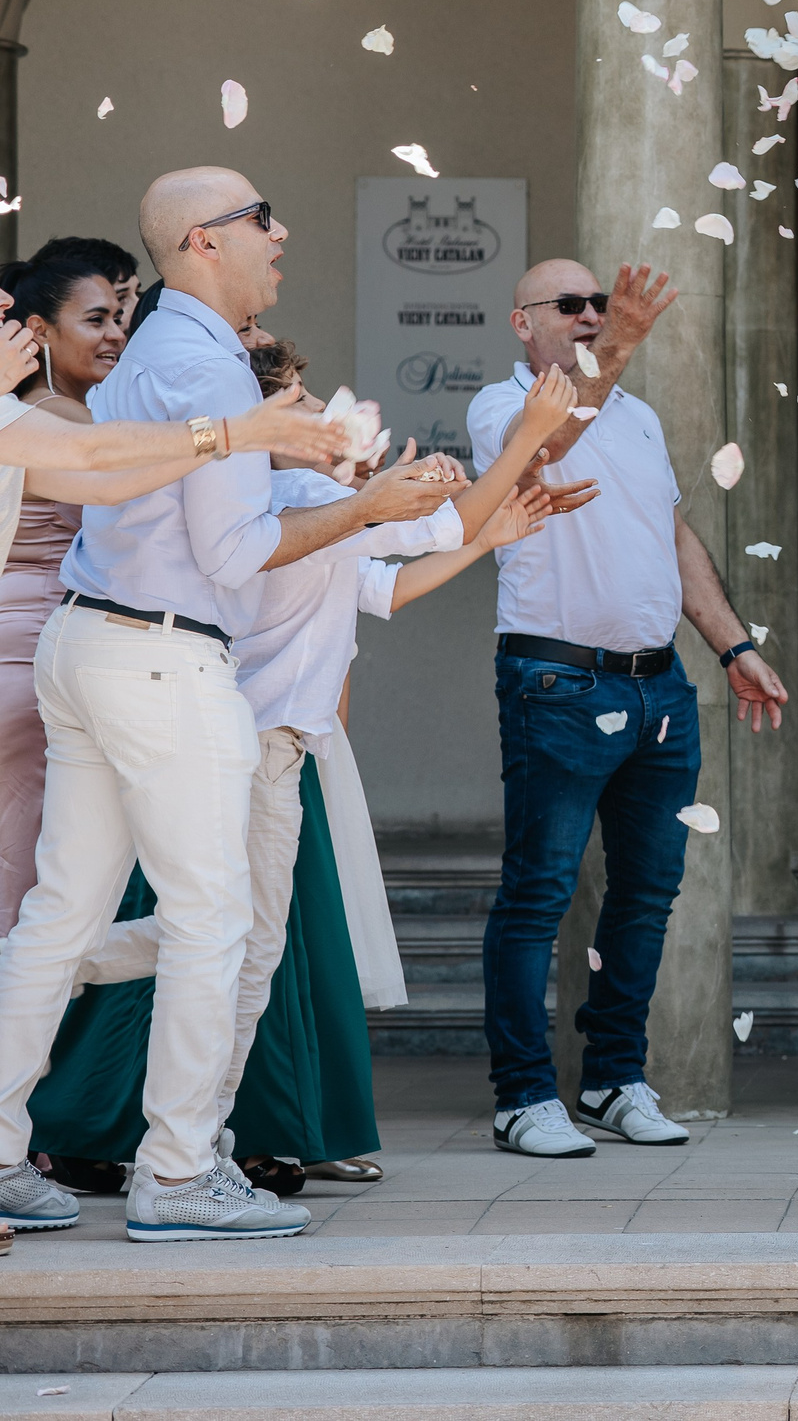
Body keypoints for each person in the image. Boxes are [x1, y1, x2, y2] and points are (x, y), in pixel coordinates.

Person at [0, 168, 434, 1243]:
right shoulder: (209, 365)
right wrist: (366, 507)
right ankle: (180, 1169)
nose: (279, 236)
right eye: (262, 218)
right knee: (215, 918)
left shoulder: (154, 349)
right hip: (161, 656)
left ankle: (1, 1150)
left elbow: (111, 474)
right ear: (204, 241)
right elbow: (235, 555)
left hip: (87, 640)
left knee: (61, 915)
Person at [31, 346, 577, 1194]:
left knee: (233, 941)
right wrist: (530, 435)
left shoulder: (306, 504)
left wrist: (484, 529)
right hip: (255, 742)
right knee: (242, 950)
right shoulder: (296, 495)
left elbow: (385, 588)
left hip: (267, 743)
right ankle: (188, 1141)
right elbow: (447, 522)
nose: (326, 413)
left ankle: (69, 975)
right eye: (303, 402)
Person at [467, 259, 789, 1159]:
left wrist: (734, 645)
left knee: (647, 894)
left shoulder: (638, 416)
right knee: (540, 892)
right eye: (567, 306)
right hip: (557, 681)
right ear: (522, 325)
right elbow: (549, 448)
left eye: (597, 305)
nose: (589, 316)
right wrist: (618, 345)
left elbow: (672, 536)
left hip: (659, 684)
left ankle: (613, 1078)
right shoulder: (503, 405)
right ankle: (523, 1096)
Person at [0, 240, 142, 933]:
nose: (116, 331)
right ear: (39, 332)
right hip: (33, 659)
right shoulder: (64, 418)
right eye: (97, 319)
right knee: (29, 865)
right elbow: (130, 497)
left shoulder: (40, 412)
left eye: (121, 315)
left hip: (24, 649)